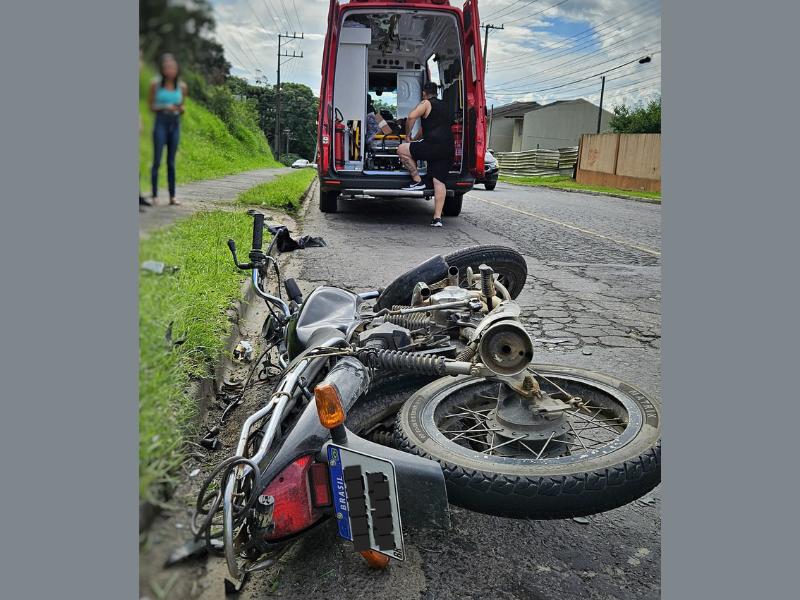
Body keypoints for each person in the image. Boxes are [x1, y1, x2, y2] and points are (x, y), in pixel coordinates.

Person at [397, 82, 454, 227]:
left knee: (402, 149)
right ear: (437, 92)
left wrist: (407, 136)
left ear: (424, 93)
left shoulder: (426, 103)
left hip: (432, 147)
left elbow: (411, 117)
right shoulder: (446, 106)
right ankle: (437, 218)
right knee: (439, 181)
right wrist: (415, 140)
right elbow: (427, 127)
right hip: (447, 148)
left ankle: (417, 181)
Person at [148, 53, 187, 206]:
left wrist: (181, 108)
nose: (170, 70)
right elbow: (151, 106)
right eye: (167, 67)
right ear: (163, 70)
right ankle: (154, 195)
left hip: (175, 123)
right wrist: (165, 106)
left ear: (177, 69)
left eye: (173, 67)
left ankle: (172, 196)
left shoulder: (182, 87)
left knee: (171, 162)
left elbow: (183, 105)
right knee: (157, 160)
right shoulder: (155, 85)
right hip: (160, 122)